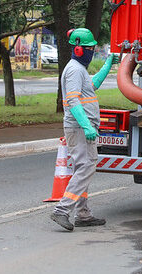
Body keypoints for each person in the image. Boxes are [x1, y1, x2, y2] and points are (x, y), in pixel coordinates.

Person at [50, 28, 117, 231]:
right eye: (90, 48)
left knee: (83, 168)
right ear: (79, 49)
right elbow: (72, 100)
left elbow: (92, 85)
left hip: (81, 127)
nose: (92, 51)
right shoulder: (74, 70)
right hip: (79, 127)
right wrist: (87, 125)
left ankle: (83, 214)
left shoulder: (79, 70)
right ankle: (62, 210)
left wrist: (107, 65)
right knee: (87, 166)